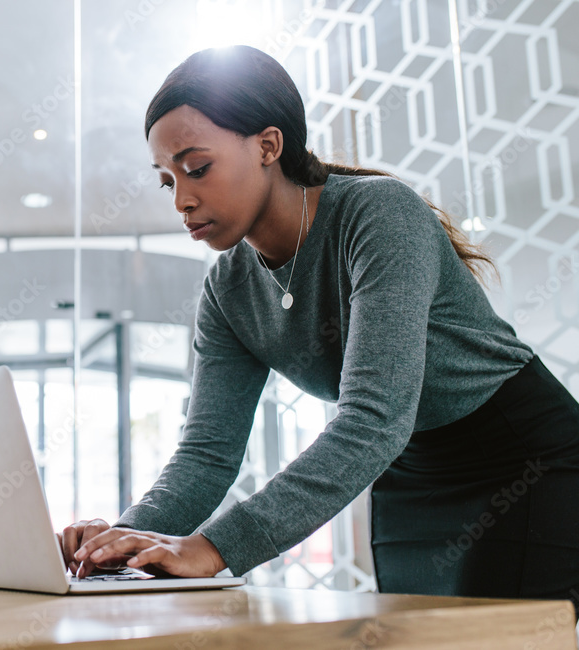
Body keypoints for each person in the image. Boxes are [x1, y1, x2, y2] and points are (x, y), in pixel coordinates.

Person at [57, 45, 579, 612]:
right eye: (167, 181)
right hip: (411, 470)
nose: (182, 200)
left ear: (268, 146)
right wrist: (116, 549)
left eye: (197, 168)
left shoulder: (379, 216)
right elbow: (207, 455)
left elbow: (375, 418)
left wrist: (215, 546)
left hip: (523, 458)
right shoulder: (227, 289)